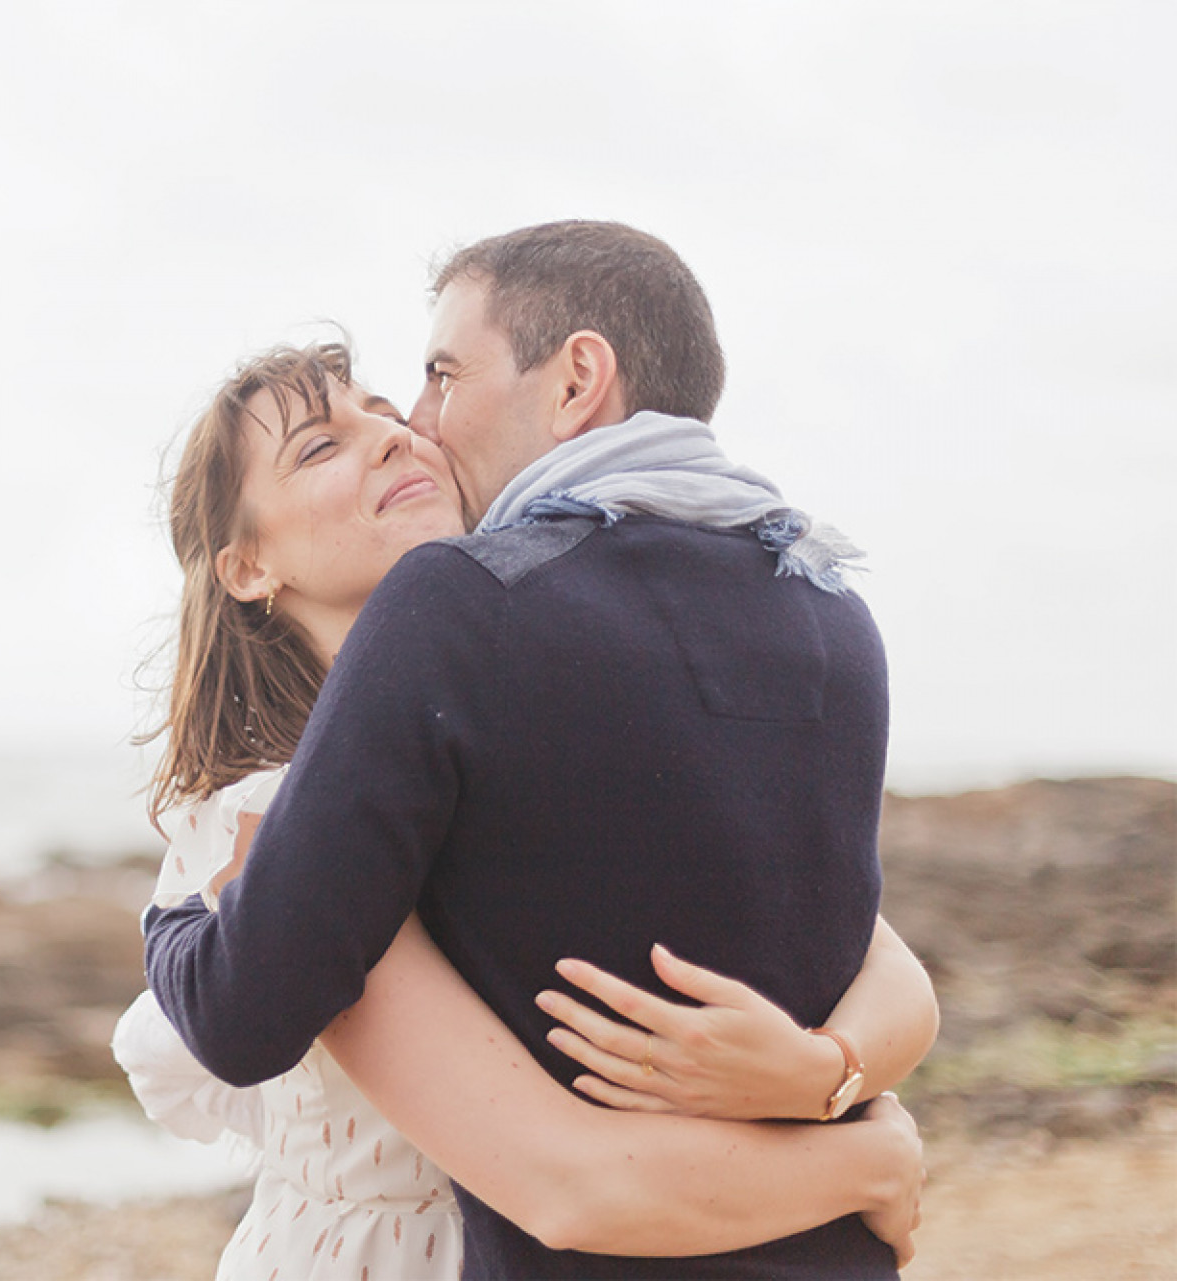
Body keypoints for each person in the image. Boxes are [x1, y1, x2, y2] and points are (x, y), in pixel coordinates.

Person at [145, 222, 926, 1278]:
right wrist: (864, 1137)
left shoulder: (468, 626)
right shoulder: (833, 614)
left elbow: (860, 937)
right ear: (246, 567)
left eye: (428, 383)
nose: (409, 429)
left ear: (575, 384)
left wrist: (830, 1077)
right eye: (324, 444)